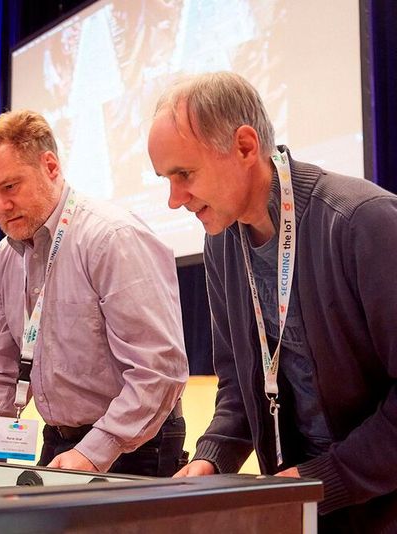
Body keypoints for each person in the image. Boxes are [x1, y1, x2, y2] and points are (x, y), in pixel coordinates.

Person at [147, 71, 397, 531]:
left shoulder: (362, 222)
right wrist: (212, 458)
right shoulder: (221, 241)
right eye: (166, 179)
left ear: (244, 146)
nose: (173, 199)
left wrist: (322, 480)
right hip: (300, 502)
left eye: (184, 174)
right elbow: (239, 387)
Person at [0, 110, 189, 475]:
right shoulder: (2, 261)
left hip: (139, 443)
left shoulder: (112, 238)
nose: (1, 206)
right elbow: (3, 365)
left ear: (50, 166)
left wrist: (95, 450)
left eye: (10, 187)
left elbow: (159, 369)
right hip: (59, 439)